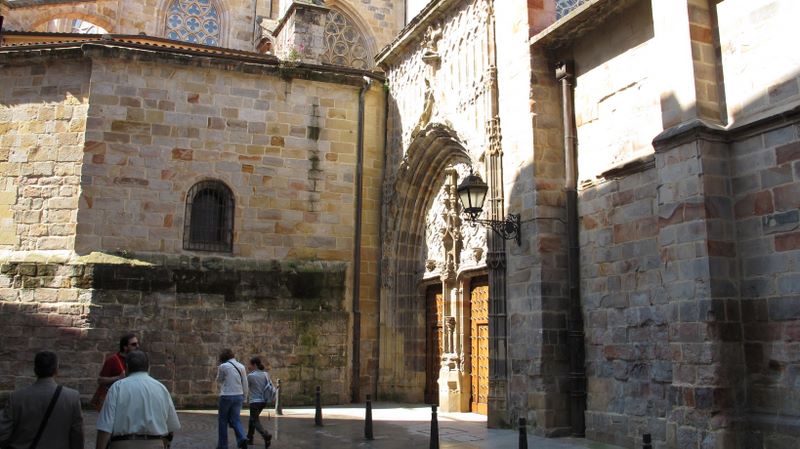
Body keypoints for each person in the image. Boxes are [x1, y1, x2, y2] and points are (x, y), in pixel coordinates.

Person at [95, 350, 180, 449]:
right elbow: (170, 427)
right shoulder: (161, 388)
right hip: (154, 444)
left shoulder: (117, 387)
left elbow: (105, 427)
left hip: (123, 444)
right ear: (148, 367)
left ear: (126, 367)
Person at [0, 351, 83, 449]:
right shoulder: (72, 397)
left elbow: (4, 432)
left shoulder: (16, 397)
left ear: (35, 370)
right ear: (56, 370)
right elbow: (77, 434)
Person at [91, 333, 139, 410]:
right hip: (113, 401)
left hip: (127, 401)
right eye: (134, 344)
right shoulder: (112, 360)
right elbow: (100, 380)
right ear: (125, 347)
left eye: (137, 343)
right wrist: (118, 377)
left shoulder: (135, 360)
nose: (137, 346)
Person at [216, 349, 249, 449]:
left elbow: (219, 380)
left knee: (223, 421)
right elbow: (245, 383)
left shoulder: (223, 366)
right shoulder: (241, 366)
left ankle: (223, 445)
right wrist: (245, 397)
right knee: (236, 419)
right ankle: (242, 437)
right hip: (239, 395)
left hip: (226, 395)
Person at [245, 357, 273, 448]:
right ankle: (249, 438)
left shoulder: (251, 376)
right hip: (263, 401)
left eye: (250, 365)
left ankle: (265, 435)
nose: (249, 367)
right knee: (252, 419)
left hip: (254, 402)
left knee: (255, 420)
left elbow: (246, 387)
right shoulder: (266, 374)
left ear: (255, 365)